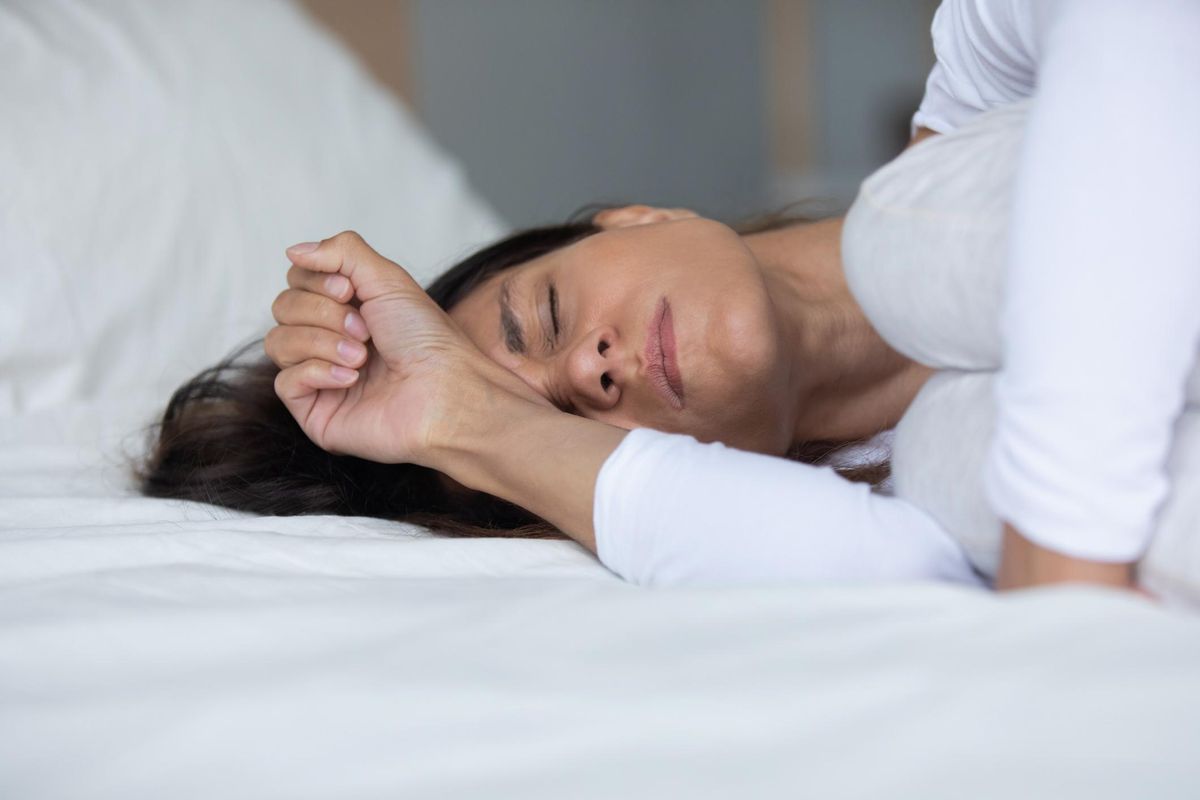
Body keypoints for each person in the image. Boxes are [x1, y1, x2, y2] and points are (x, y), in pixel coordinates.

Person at [138, 205, 981, 587]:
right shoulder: (957, 495)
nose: (588, 372)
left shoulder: (992, 69)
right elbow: (901, 572)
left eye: (542, 316)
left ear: (632, 218)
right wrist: (464, 424)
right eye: (562, 426)